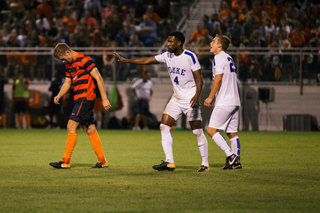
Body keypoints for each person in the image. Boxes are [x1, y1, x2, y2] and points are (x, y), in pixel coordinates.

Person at [114, 31, 209, 172]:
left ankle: (205, 164)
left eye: (171, 41)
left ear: (179, 43)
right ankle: (169, 162)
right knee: (164, 126)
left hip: (190, 99)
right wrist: (127, 61)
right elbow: (147, 60)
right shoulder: (167, 55)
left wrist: (197, 96)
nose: (168, 44)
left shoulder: (190, 57)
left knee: (197, 131)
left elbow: (199, 78)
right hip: (176, 99)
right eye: (168, 41)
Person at [49, 43, 112, 169]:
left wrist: (104, 99)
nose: (63, 61)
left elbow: (98, 78)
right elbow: (67, 83)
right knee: (90, 129)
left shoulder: (85, 60)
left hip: (86, 97)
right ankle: (103, 161)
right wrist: (59, 95)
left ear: (68, 52)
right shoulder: (69, 65)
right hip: (79, 99)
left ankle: (65, 161)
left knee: (71, 125)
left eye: (62, 58)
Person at [204, 35, 241, 170]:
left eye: (213, 41)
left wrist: (210, 97)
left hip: (225, 101)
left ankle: (231, 156)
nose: (210, 43)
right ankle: (236, 163)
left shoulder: (218, 57)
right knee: (232, 133)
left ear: (219, 46)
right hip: (234, 100)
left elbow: (218, 78)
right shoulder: (229, 57)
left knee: (211, 130)